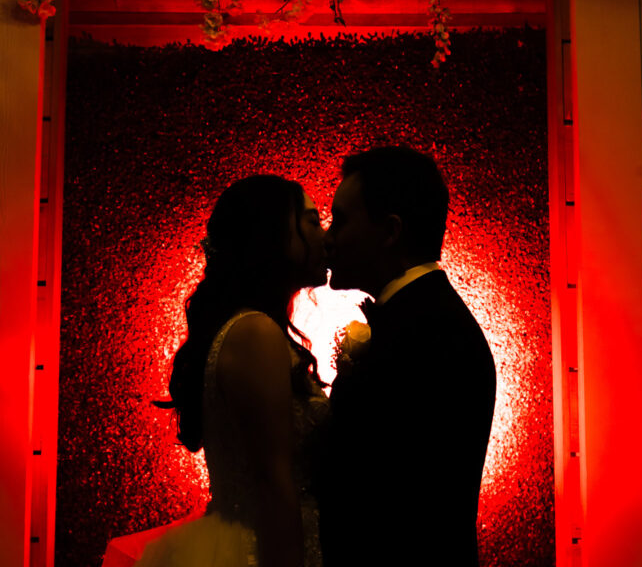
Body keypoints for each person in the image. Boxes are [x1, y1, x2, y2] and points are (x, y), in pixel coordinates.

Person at [135, 174, 328, 567]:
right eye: (312, 221)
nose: (325, 236)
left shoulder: (248, 328)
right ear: (272, 233)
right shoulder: (255, 333)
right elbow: (274, 484)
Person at [317, 145, 496, 567]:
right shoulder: (426, 319)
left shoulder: (427, 335)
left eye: (340, 221)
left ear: (390, 231)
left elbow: (383, 497)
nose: (327, 238)